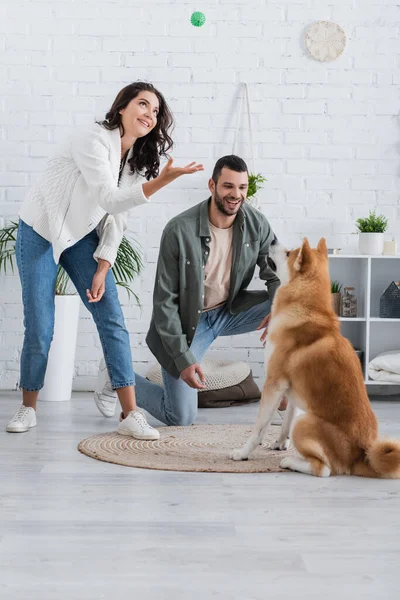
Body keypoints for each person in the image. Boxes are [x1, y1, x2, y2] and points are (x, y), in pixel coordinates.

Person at [6, 81, 203, 438]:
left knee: (112, 318)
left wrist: (103, 265)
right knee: (40, 328)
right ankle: (28, 407)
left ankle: (130, 415)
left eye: (156, 111)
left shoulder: (138, 159)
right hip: (42, 229)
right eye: (142, 105)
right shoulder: (93, 139)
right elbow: (110, 198)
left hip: (81, 234)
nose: (149, 115)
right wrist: (163, 181)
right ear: (123, 107)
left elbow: (117, 218)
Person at [94, 155, 284, 427]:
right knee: (180, 417)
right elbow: (164, 303)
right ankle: (116, 374)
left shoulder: (256, 223)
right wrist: (183, 360)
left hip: (231, 310)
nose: (236, 195)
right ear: (212, 185)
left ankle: (285, 398)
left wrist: (279, 309)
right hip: (189, 324)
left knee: (296, 309)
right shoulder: (179, 230)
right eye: (228, 186)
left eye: (242, 188)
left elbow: (278, 272)